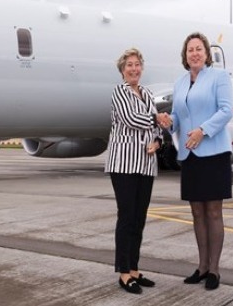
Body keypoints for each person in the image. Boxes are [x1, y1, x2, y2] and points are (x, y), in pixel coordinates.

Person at [160, 32, 233, 291]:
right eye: (190, 49)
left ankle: (214, 269)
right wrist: (169, 123)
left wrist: (203, 130)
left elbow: (226, 110)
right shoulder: (180, 83)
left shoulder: (219, 77)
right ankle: (201, 267)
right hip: (190, 155)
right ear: (185, 55)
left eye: (199, 49)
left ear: (206, 53)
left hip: (213, 152)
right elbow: (179, 118)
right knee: (196, 212)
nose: (194, 53)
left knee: (213, 212)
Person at [104, 47, 165, 294]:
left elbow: (158, 132)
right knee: (126, 216)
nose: (134, 69)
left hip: (146, 165)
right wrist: (158, 119)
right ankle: (123, 272)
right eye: (129, 65)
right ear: (122, 70)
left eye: (137, 64)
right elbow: (131, 119)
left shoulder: (148, 94)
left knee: (139, 219)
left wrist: (158, 141)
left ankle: (135, 269)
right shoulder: (119, 93)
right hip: (124, 164)